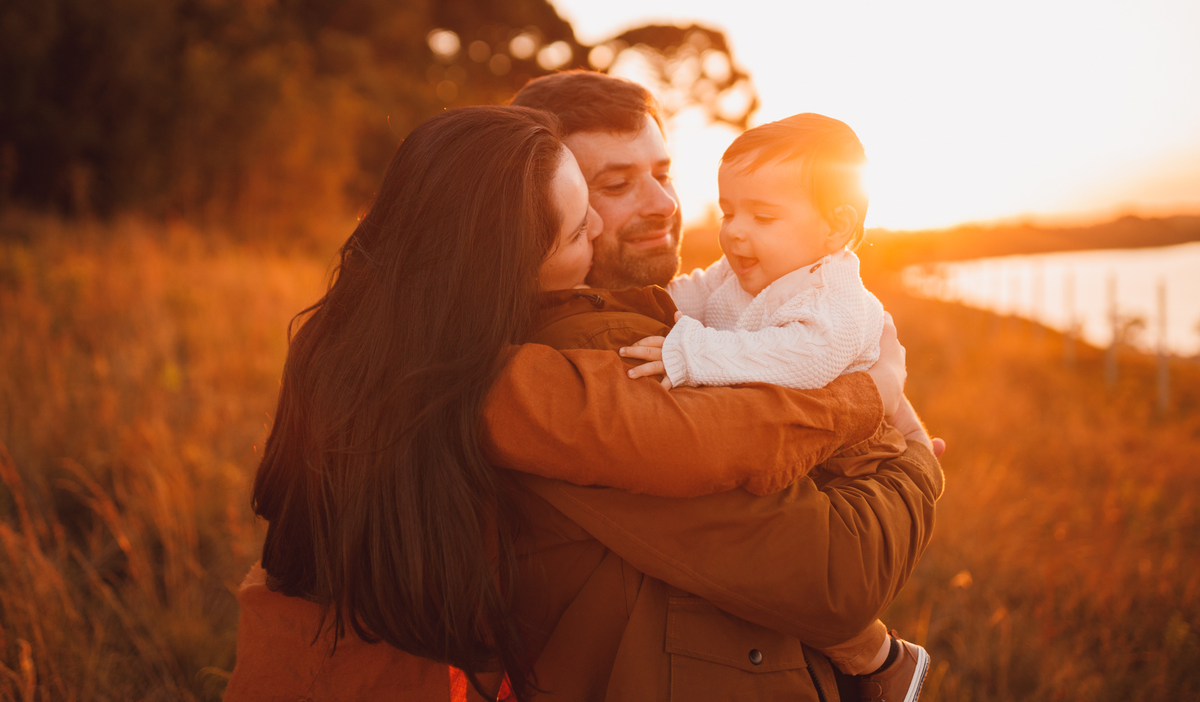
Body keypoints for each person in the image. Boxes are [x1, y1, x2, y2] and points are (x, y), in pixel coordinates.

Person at [225, 104, 941, 702]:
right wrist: (875, 402)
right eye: (588, 211)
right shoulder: (517, 384)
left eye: (663, 173)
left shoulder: (373, 340)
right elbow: (725, 460)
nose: (633, 214)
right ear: (506, 257)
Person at [525, 106, 930, 700]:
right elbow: (684, 297)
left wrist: (691, 351)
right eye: (731, 211)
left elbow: (804, 360)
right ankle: (873, 662)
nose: (735, 231)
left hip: (850, 452)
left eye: (762, 215)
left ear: (835, 227)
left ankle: (873, 665)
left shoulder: (832, 296)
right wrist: (657, 315)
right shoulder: (740, 275)